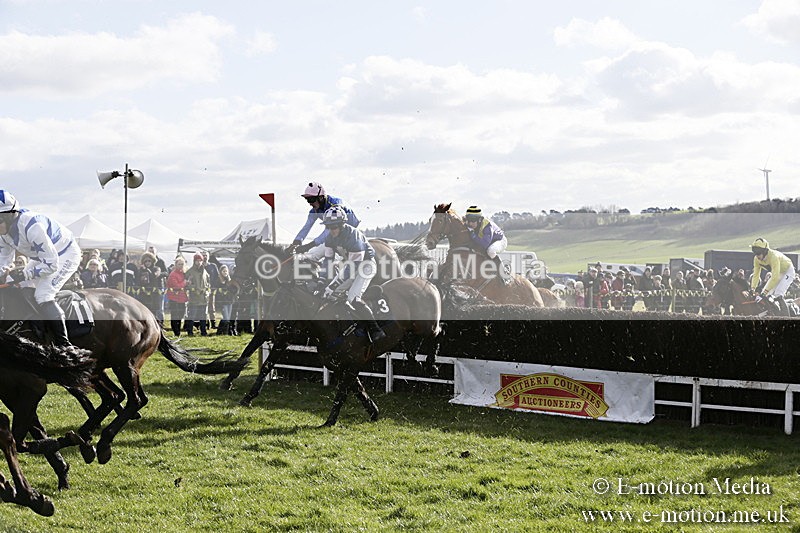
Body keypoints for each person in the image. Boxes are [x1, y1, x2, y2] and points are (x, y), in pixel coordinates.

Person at [0, 190, 81, 346]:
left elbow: (51, 264)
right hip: (42, 257)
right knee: (20, 287)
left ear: (9, 216)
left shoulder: (32, 227)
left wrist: (24, 274)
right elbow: (4, 261)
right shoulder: (3, 233)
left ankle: (64, 345)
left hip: (65, 254)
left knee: (43, 294)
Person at [297, 206, 385, 342]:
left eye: (334, 227)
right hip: (351, 265)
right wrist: (322, 281)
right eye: (328, 227)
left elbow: (352, 267)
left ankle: (375, 329)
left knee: (353, 298)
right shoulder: (330, 239)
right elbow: (328, 262)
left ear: (342, 225)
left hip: (365, 266)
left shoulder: (354, 237)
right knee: (332, 296)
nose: (331, 231)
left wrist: (332, 286)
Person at [291, 182, 360, 256]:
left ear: (320, 198)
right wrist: (296, 242)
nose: (309, 203)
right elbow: (307, 227)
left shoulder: (335, 206)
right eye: (307, 199)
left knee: (318, 252)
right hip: (337, 231)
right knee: (316, 253)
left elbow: (329, 231)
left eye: (311, 199)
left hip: (350, 230)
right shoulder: (314, 210)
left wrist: (310, 245)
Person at [463, 206, 510, 285]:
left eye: (473, 221)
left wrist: (472, 234)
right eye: (469, 220)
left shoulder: (487, 226)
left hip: (500, 241)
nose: (470, 223)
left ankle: (504, 272)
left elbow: (484, 244)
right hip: (488, 242)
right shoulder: (469, 224)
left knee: (490, 251)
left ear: (479, 219)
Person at [750, 237, 796, 315]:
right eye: (755, 252)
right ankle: (772, 313)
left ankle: (787, 318)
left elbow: (774, 277)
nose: (757, 255)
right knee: (765, 294)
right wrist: (753, 289)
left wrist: (763, 293)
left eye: (759, 252)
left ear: (765, 251)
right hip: (778, 272)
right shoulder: (756, 259)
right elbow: (756, 275)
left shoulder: (774, 257)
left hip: (788, 271)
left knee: (778, 294)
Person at [184, 253, 210, 336]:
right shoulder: (189, 272)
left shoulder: (205, 272)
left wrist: (207, 291)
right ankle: (190, 332)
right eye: (197, 261)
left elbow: (208, 284)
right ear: (194, 261)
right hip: (194, 298)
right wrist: (194, 289)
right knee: (192, 315)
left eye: (200, 260)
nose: (199, 262)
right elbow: (186, 284)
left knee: (203, 316)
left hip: (203, 298)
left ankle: (203, 331)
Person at [136, 252, 165, 325]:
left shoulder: (156, 268)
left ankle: (159, 326)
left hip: (155, 294)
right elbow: (137, 280)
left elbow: (154, 275)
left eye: (149, 261)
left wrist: (147, 270)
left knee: (156, 311)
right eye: (145, 261)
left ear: (152, 261)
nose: (147, 262)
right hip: (144, 294)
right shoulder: (141, 270)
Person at [166, 255, 188, 336]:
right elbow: (176, 286)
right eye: (179, 264)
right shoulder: (173, 274)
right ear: (176, 265)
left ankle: (178, 330)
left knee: (181, 314)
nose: (181, 266)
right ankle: (176, 332)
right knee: (175, 315)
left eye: (182, 264)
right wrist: (185, 283)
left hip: (182, 298)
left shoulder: (184, 273)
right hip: (174, 298)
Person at [215, 264, 236, 336]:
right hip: (222, 302)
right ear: (220, 272)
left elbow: (232, 291)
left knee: (227, 318)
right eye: (223, 271)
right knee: (226, 318)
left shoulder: (230, 281)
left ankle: (220, 331)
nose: (225, 273)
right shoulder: (218, 281)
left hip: (229, 301)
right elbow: (218, 292)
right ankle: (225, 332)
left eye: (226, 271)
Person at [202, 251, 221, 330]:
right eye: (203, 256)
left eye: (206, 255)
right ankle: (205, 323)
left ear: (208, 257)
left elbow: (217, 277)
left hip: (212, 289)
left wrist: (215, 287)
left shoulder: (213, 266)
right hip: (202, 290)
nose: (205, 257)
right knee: (203, 307)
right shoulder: (199, 266)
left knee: (211, 306)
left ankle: (213, 323)